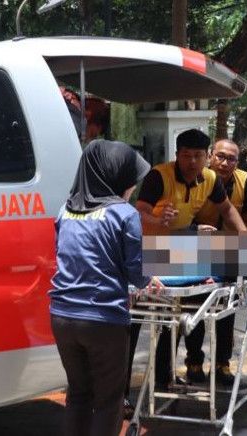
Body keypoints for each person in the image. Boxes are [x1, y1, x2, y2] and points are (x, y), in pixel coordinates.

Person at [50, 139, 163, 436]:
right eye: (130, 180)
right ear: (115, 177)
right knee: (108, 401)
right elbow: (136, 271)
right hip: (103, 320)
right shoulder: (123, 214)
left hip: (62, 317)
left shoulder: (65, 211)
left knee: (78, 395)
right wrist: (150, 282)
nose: (132, 187)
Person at [127, 129, 247, 391]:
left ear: (206, 157)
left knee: (174, 317)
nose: (192, 161)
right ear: (176, 155)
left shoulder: (211, 178)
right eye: (186, 156)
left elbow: (226, 209)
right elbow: (139, 215)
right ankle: (122, 393)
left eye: (197, 156)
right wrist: (159, 221)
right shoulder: (158, 175)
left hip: (180, 248)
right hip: (150, 251)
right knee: (135, 324)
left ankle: (163, 378)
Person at [192, 138, 247, 384]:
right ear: (210, 156)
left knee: (228, 312)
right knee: (195, 310)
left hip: (230, 254)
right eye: (220, 156)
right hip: (195, 252)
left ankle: (222, 365)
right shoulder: (198, 178)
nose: (225, 162)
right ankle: (194, 363)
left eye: (231, 159)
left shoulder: (244, 181)